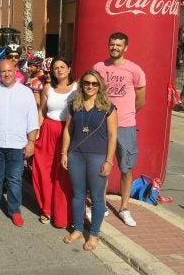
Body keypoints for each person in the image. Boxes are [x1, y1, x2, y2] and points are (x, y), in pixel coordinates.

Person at [0, 59, 39, 226]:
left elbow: (32, 121)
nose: (6, 74)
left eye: (9, 71)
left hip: (17, 144)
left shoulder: (26, 92)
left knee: (14, 179)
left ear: (15, 71)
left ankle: (14, 210)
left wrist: (31, 142)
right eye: (3, 71)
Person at [61, 70, 117, 251]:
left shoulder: (108, 107)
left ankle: (93, 234)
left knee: (97, 198)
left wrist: (109, 161)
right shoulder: (73, 105)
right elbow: (68, 131)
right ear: (82, 85)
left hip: (98, 156)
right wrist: (64, 153)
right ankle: (78, 229)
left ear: (99, 85)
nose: (90, 86)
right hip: (76, 155)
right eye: (86, 83)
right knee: (78, 195)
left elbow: (112, 136)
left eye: (94, 83)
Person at [93, 32, 145, 227]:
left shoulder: (135, 70)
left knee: (126, 168)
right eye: (112, 44)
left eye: (118, 45)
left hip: (125, 126)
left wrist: (126, 114)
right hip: (102, 125)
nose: (114, 47)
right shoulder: (99, 67)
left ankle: (124, 208)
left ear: (125, 47)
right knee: (102, 167)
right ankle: (102, 205)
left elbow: (141, 99)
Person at [33, 57, 76, 227]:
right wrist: (36, 133)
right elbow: (42, 112)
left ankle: (64, 213)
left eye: (62, 67)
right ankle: (47, 209)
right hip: (48, 131)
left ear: (69, 69)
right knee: (44, 171)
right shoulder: (47, 88)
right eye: (56, 67)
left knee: (65, 174)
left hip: (69, 132)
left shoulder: (77, 88)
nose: (59, 70)